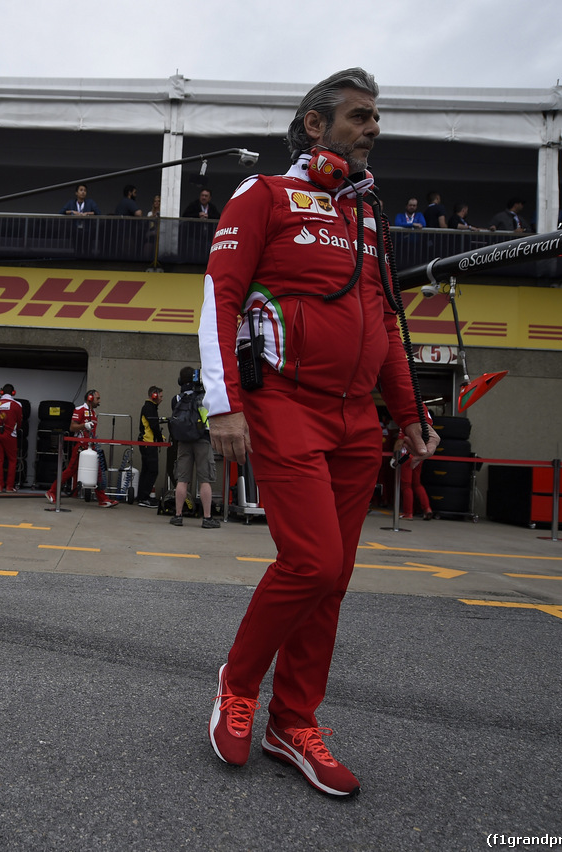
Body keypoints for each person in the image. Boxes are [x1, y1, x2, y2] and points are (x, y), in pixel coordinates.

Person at [199, 67, 437, 797]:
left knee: (333, 580)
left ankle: (292, 722)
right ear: (315, 125)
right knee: (310, 561)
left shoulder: (369, 216)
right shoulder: (263, 195)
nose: (373, 128)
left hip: (356, 419)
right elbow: (220, 296)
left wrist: (409, 412)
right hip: (284, 407)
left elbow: (387, 322)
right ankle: (238, 684)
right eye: (360, 116)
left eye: (375, 117)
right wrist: (223, 403)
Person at [45, 389, 118, 508]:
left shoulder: (93, 413)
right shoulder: (79, 410)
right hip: (80, 446)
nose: (99, 401)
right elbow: (72, 427)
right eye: (97, 398)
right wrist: (84, 425)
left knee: (98, 472)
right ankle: (52, 491)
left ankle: (103, 499)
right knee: (70, 471)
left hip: (91, 447)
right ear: (90, 398)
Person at [169, 367, 218, 529]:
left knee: (182, 479)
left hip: (183, 442)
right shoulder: (204, 397)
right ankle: (207, 517)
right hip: (202, 440)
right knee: (205, 480)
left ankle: (178, 515)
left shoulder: (176, 399)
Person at [0, 383, 23, 493]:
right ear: (13, 393)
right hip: (10, 435)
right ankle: (9, 487)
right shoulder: (17, 405)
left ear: (1, 392)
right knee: (12, 461)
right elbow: (19, 421)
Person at [393, 431, 433, 520]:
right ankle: (427, 508)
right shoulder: (423, 425)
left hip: (406, 457)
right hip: (419, 455)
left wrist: (394, 457)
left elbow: (400, 442)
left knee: (406, 485)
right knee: (417, 484)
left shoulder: (405, 425)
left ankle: (408, 513)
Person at [136, 386, 164, 507]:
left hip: (147, 442)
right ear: (154, 395)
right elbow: (154, 426)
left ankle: (142, 497)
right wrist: (160, 438)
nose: (162, 399)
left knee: (146, 471)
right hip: (149, 443)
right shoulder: (149, 408)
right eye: (161, 396)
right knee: (152, 471)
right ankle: (144, 498)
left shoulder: (149, 407)